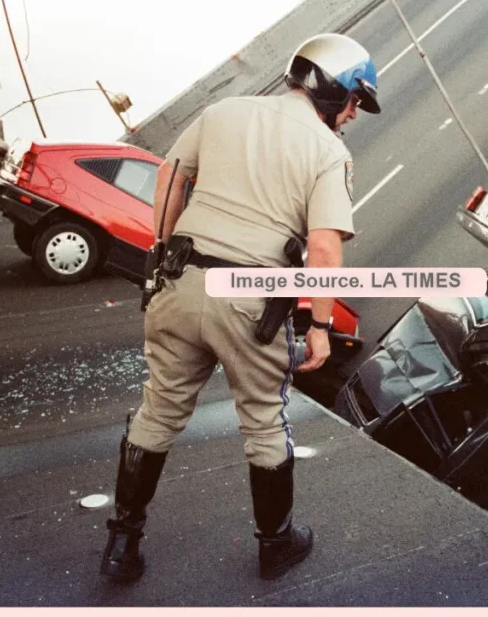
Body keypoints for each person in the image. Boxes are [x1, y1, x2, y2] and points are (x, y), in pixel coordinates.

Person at [99, 33, 381, 583]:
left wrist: (160, 259)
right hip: (250, 301)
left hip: (180, 282)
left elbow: (169, 178)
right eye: (353, 100)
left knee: (157, 414)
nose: (352, 115)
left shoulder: (223, 110)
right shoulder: (328, 152)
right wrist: (320, 326)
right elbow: (324, 247)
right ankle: (275, 546)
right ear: (332, 88)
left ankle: (121, 545)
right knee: (264, 422)